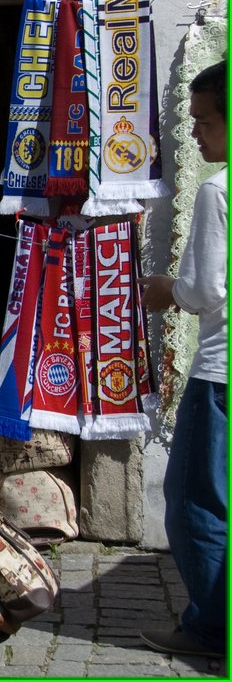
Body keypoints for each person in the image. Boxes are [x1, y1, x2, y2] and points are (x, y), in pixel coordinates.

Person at [138, 58, 228, 659]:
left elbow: (207, 290)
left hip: (219, 373)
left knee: (195, 499)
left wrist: (167, 289)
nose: (193, 132)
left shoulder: (217, 191)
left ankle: (210, 629)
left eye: (204, 121)